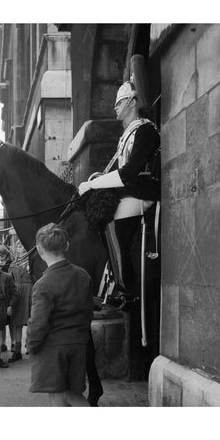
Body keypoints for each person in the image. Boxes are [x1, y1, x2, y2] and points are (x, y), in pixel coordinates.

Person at [78, 80, 160, 297]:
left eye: (119, 102)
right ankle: (112, 276)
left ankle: (126, 287)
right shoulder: (128, 133)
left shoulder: (145, 130)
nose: (115, 107)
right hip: (130, 189)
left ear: (132, 102)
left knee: (112, 218)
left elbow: (131, 171)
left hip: (143, 191)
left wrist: (94, 183)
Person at [27, 223, 94, 407]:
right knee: (75, 394)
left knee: (57, 398)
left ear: (39, 249)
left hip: (52, 348)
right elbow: (89, 312)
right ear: (66, 246)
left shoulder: (43, 284)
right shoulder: (83, 276)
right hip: (78, 343)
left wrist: (31, 345)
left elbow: (38, 324)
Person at [0, 245, 33, 363]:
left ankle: (30, 346)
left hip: (30, 293)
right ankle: (17, 350)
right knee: (17, 323)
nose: (21, 252)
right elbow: (9, 281)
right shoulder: (11, 265)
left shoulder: (32, 262)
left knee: (31, 321)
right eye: (19, 250)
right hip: (18, 294)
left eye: (24, 250)